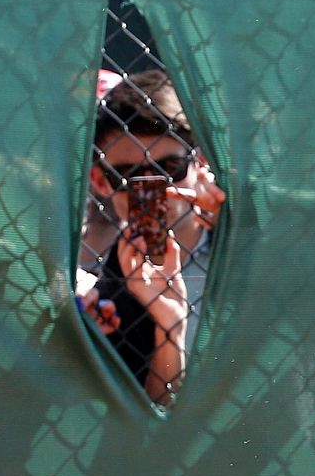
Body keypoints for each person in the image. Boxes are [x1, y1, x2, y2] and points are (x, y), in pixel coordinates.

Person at [84, 69, 224, 406]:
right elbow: (153, 418)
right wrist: (169, 331)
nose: (155, 189)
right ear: (101, 182)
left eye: (170, 167)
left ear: (199, 160)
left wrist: (244, 228)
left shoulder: (246, 245)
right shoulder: (106, 297)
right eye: (129, 176)